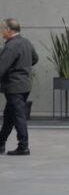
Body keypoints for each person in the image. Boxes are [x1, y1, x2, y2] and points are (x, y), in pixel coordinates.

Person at [0, 19, 38, 156]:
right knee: (9, 116)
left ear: (9, 30)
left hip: (14, 86)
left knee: (18, 116)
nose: (1, 32)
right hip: (24, 85)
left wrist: (15, 70)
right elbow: (35, 58)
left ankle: (23, 146)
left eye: (2, 29)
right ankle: (1, 143)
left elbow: (1, 67)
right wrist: (22, 67)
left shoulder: (11, 46)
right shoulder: (26, 42)